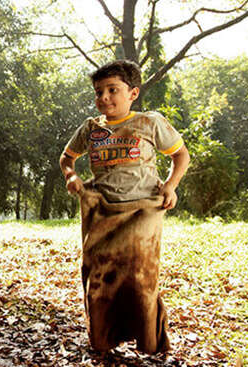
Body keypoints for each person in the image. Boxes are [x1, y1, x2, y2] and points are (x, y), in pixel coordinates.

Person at [59, 59, 190, 354]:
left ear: (132, 93)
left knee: (140, 277)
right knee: (99, 278)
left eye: (112, 90)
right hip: (102, 212)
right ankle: (104, 341)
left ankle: (149, 342)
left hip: (143, 211)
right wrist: (71, 175)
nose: (104, 97)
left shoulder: (149, 122)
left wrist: (170, 185)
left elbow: (181, 156)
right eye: (99, 91)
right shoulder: (90, 128)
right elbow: (66, 158)